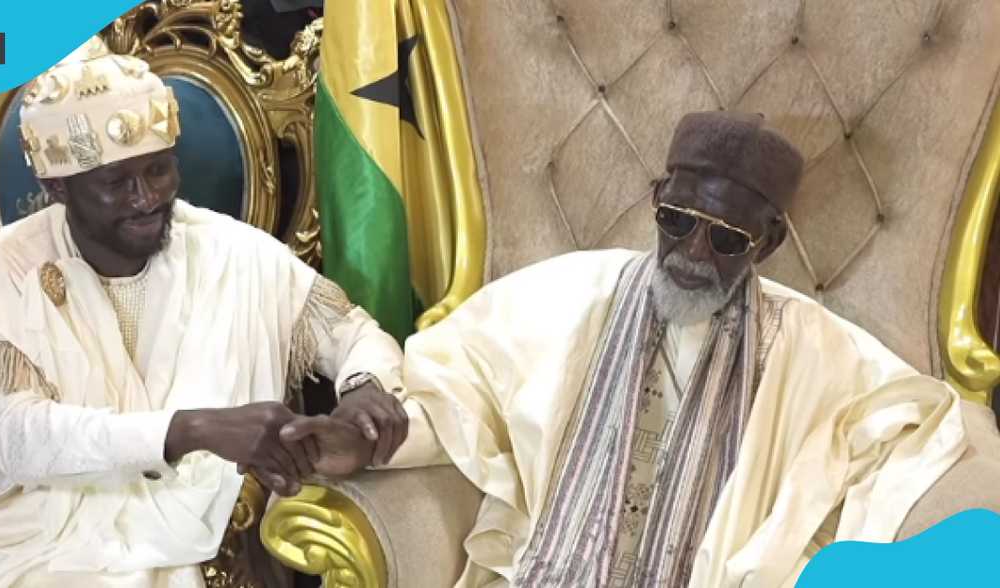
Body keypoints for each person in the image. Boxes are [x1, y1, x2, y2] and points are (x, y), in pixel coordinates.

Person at [286, 110, 968, 587]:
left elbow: (920, 420)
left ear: (770, 244)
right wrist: (374, 442)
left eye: (728, 239)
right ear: (656, 201)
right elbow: (463, 399)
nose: (695, 254)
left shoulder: (810, 346)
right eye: (678, 222)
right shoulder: (573, 293)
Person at [0, 37, 407, 587]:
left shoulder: (234, 251)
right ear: (56, 185)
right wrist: (195, 430)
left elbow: (349, 332)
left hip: (182, 516)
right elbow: (20, 439)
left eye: (158, 170)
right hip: (18, 514)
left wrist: (365, 386)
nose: (147, 198)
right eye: (116, 183)